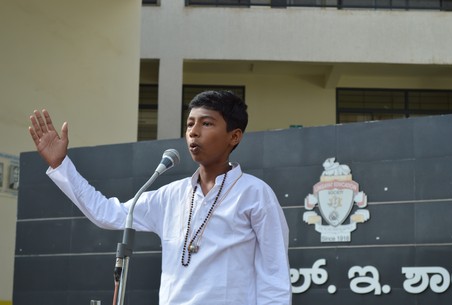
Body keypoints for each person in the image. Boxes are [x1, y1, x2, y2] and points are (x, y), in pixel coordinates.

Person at [29, 90, 292, 305]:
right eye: (190, 123)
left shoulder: (255, 194)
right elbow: (106, 213)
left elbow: (274, 278)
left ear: (234, 136)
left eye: (207, 123)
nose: (194, 131)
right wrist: (61, 165)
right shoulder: (170, 195)